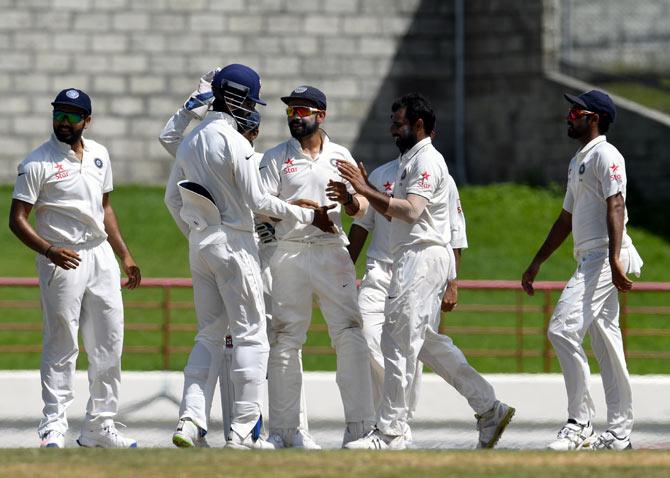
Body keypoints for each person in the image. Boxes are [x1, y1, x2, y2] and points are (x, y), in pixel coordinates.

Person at [163, 64, 335, 450]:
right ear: (239, 98)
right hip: (234, 242)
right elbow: (258, 201)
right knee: (252, 336)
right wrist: (307, 214)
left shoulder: (191, 141)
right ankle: (242, 431)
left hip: (200, 244)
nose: (251, 113)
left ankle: (190, 421)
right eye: (250, 102)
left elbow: (171, 198)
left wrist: (196, 230)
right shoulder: (235, 142)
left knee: (208, 335)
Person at [338, 93, 514, 450]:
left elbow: (414, 213)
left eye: (397, 123)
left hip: (422, 257)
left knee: (398, 344)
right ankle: (488, 407)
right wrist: (357, 196)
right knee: (422, 344)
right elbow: (375, 217)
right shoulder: (403, 164)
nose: (391, 129)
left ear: (419, 125)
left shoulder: (430, 163)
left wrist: (362, 188)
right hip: (404, 260)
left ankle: (390, 431)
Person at [9, 88, 141, 449]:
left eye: (71, 116)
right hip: (62, 258)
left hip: (100, 256)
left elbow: (105, 209)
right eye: (58, 115)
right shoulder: (37, 162)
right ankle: (53, 425)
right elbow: (17, 220)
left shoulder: (99, 154)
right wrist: (50, 250)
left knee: (110, 342)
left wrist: (124, 255)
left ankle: (100, 425)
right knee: (62, 342)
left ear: (87, 120)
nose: (63, 122)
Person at [521, 90, 643, 451]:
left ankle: (581, 423)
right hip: (590, 257)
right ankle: (620, 433)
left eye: (575, 111)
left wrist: (615, 258)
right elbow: (566, 219)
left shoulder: (607, 155)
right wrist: (537, 261)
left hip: (604, 257)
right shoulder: (578, 161)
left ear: (594, 118)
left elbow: (616, 204)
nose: (568, 116)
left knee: (561, 329)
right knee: (606, 343)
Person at [259, 85, 376, 448]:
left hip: (331, 251)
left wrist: (351, 201)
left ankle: (360, 428)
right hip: (289, 250)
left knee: (349, 333)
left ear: (320, 116)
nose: (295, 117)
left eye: (302, 111)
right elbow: (260, 206)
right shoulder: (276, 157)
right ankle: (285, 432)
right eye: (291, 111)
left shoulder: (341, 155)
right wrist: (303, 208)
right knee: (285, 339)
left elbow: (363, 207)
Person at [341, 153, 468, 427]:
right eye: (394, 125)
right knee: (365, 334)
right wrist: (341, 272)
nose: (396, 130)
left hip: (419, 275)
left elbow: (455, 232)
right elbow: (361, 228)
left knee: (410, 349)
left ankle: (397, 423)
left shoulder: (438, 175)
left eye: (401, 124)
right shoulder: (379, 175)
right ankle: (391, 417)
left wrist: (452, 283)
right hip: (379, 272)